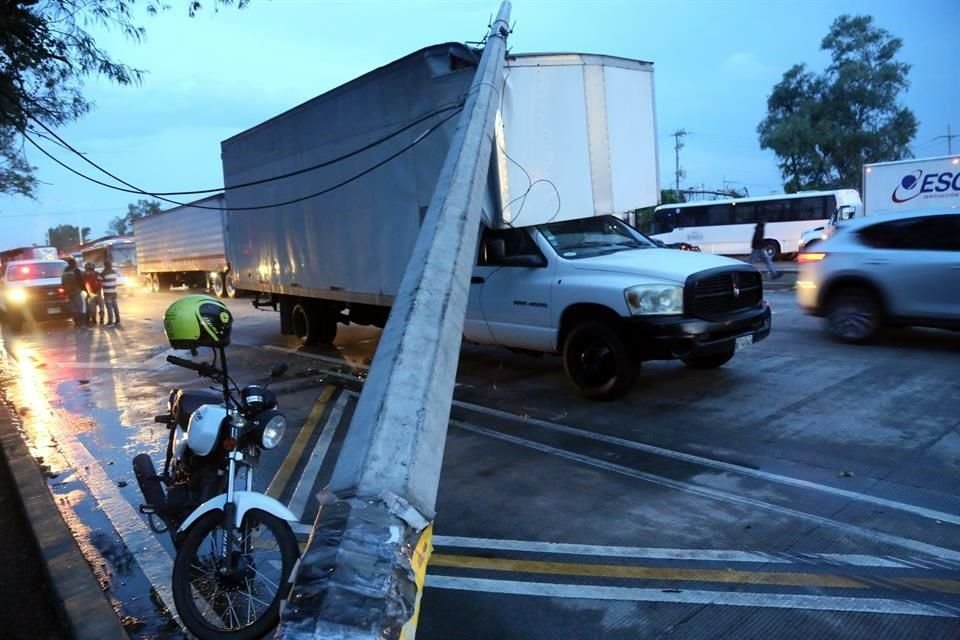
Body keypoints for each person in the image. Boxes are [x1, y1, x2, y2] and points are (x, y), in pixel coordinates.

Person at [61, 258, 85, 328]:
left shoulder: (64, 272)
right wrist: (85, 291)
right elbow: (81, 282)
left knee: (73, 309)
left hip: (68, 293)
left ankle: (76, 323)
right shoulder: (76, 271)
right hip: (77, 292)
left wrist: (65, 292)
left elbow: (62, 283)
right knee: (81, 308)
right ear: (74, 263)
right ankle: (81, 323)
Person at [100, 260, 120, 326]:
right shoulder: (114, 272)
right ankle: (118, 320)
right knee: (115, 307)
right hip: (114, 292)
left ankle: (110, 321)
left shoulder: (103, 273)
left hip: (107, 293)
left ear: (105, 265)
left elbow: (98, 279)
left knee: (109, 308)